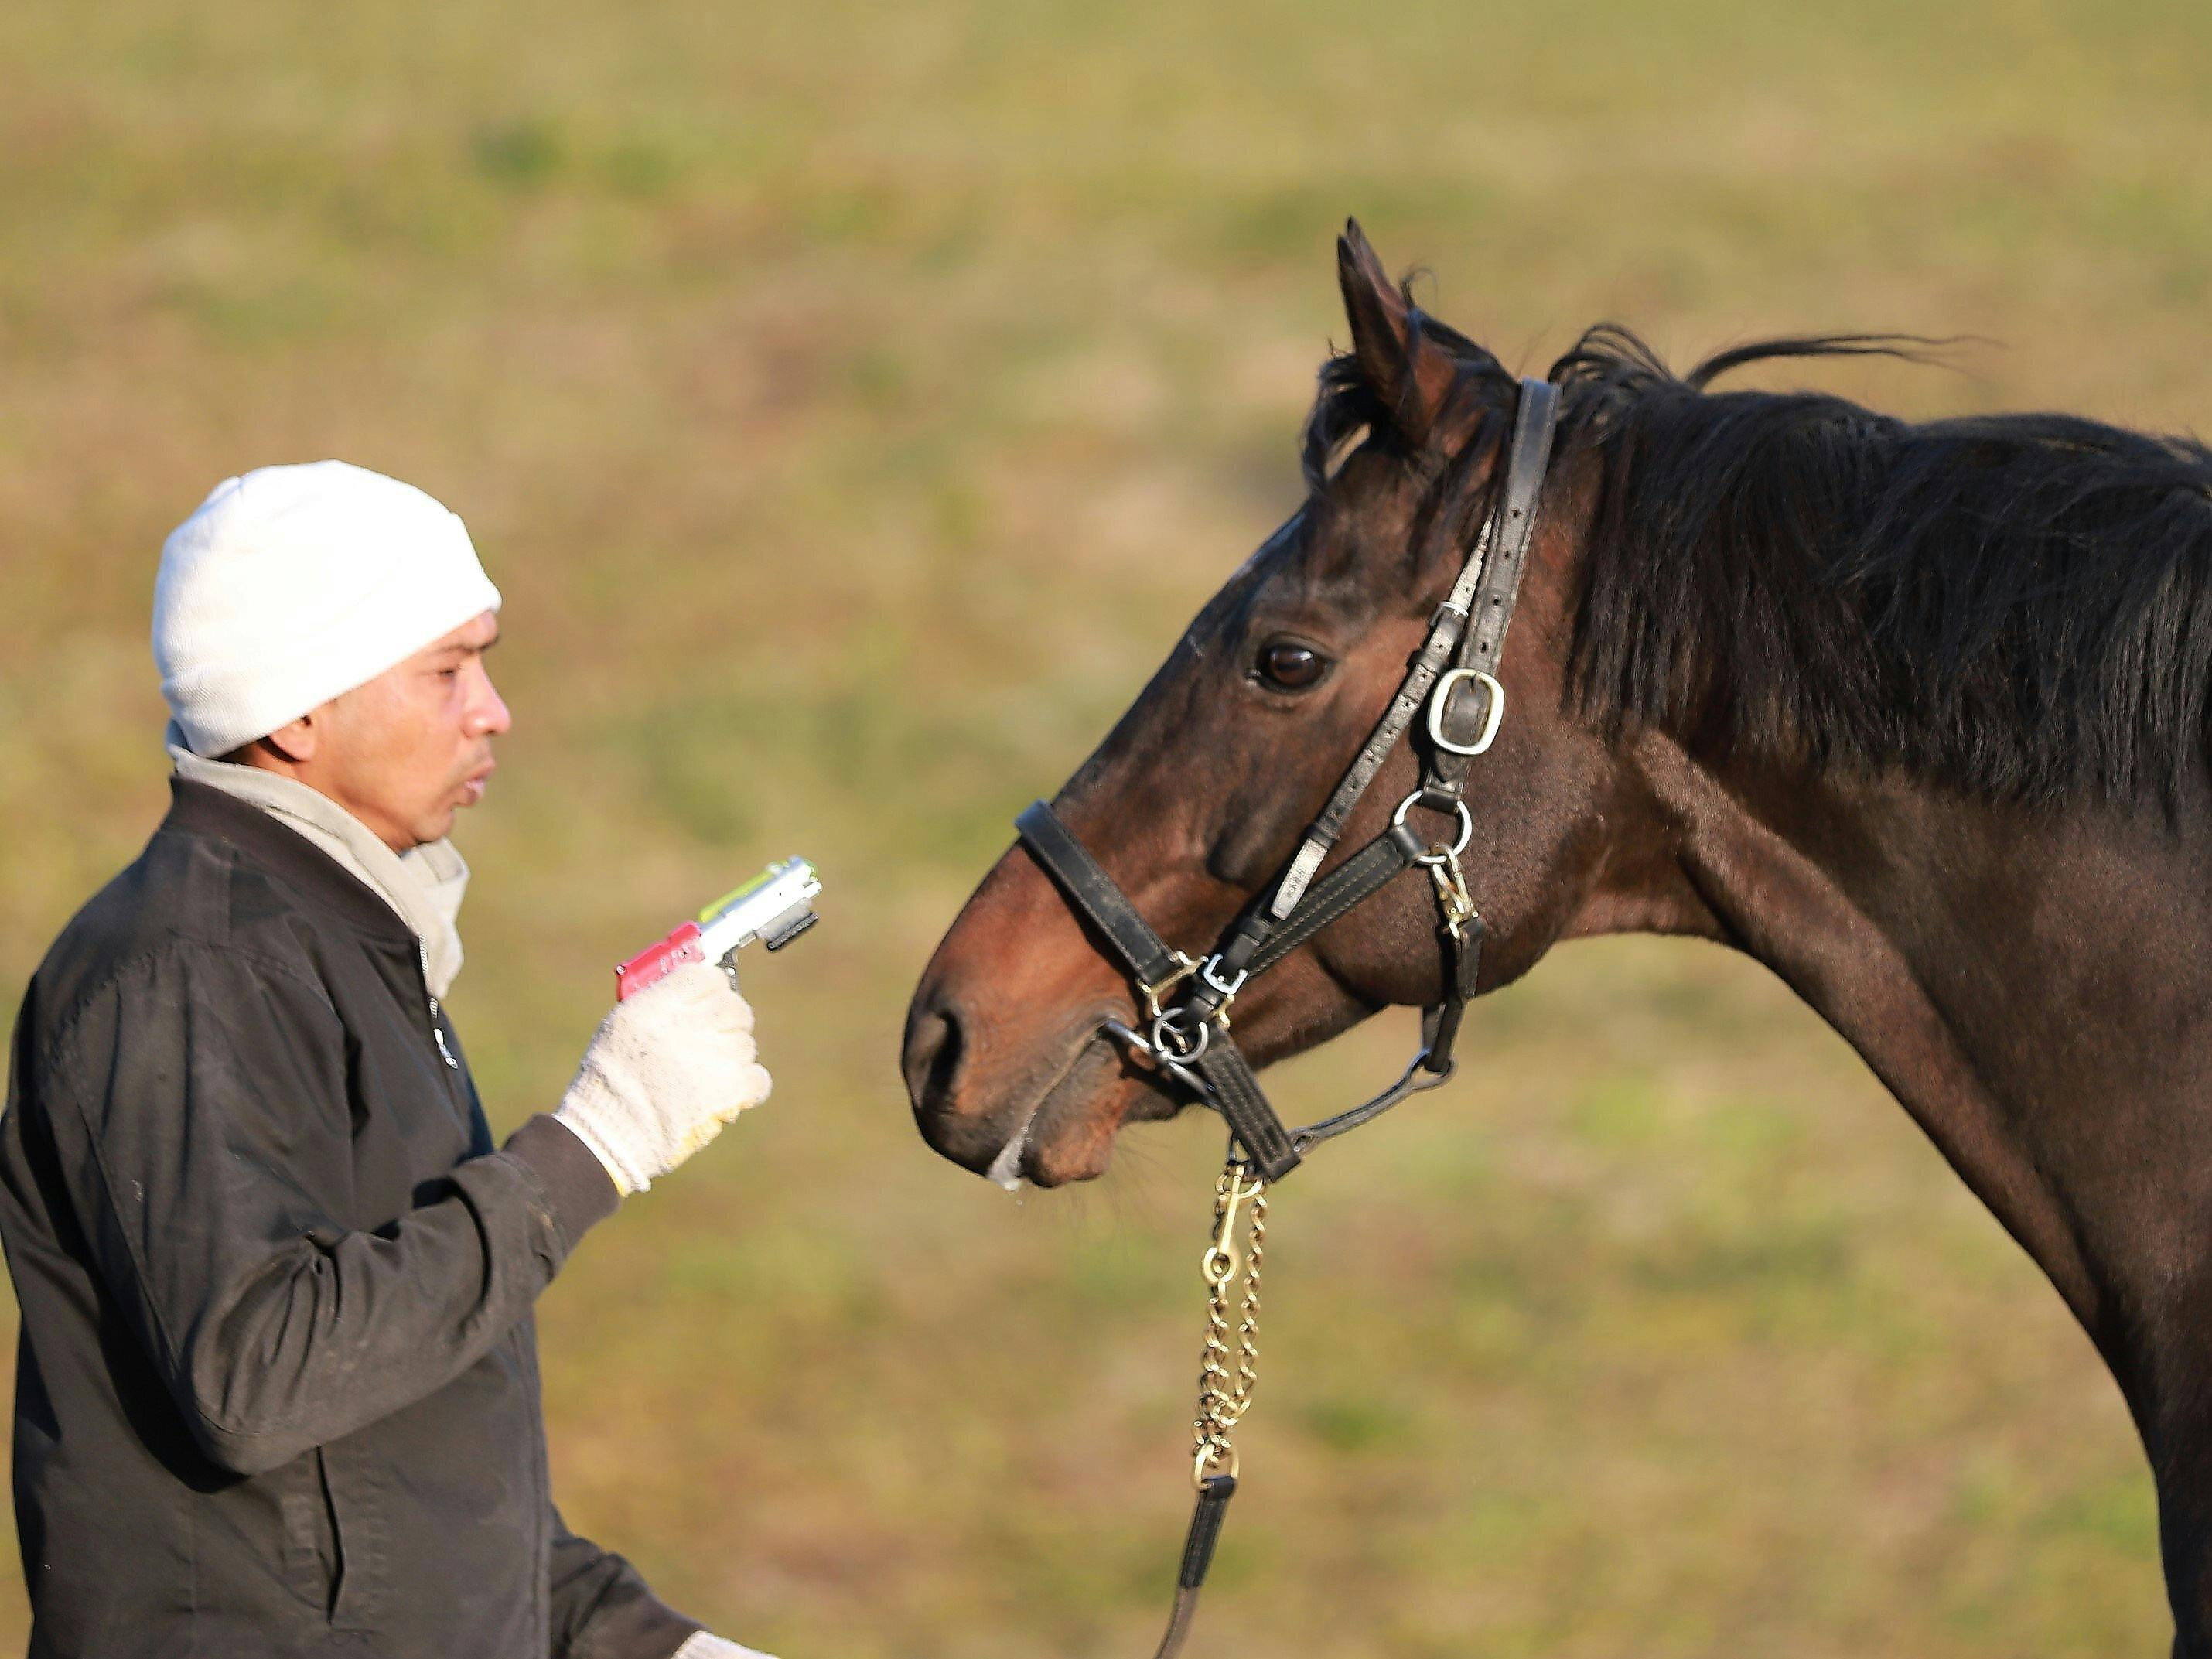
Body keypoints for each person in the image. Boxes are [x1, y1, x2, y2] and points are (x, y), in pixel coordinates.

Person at [0, 462, 778, 1658]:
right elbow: (255, 1378)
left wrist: (638, 1640)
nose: (495, 710)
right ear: (297, 712)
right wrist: (598, 1142)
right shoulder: (181, 972)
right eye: (448, 669)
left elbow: (397, 1458)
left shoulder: (341, 953)